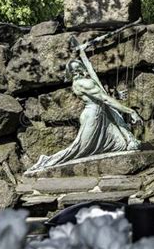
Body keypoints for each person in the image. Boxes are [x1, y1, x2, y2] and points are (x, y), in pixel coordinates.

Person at [24, 41, 142, 174]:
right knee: (79, 148)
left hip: (101, 116)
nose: (81, 69)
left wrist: (115, 95)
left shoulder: (83, 82)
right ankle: (47, 160)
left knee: (121, 145)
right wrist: (131, 111)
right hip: (93, 117)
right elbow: (103, 98)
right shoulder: (82, 83)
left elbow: (100, 95)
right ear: (77, 70)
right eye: (78, 67)